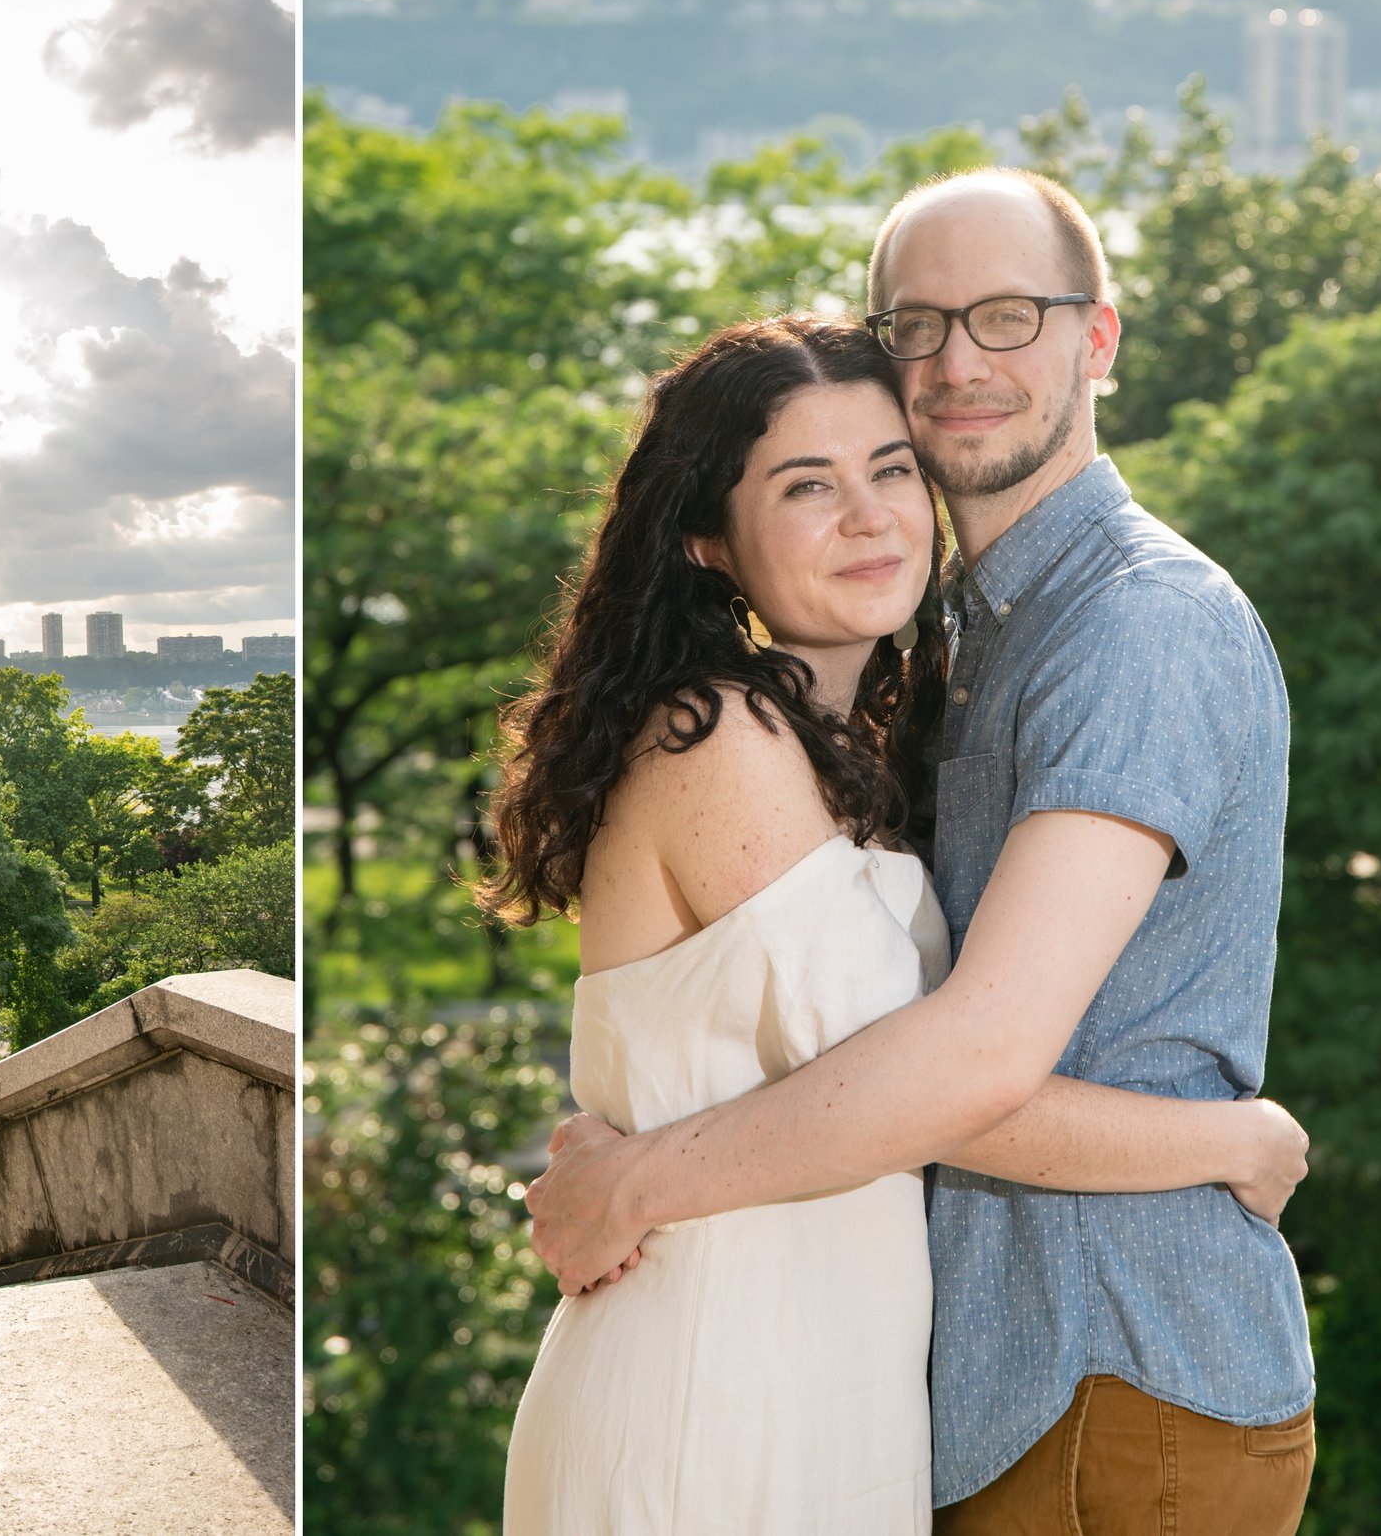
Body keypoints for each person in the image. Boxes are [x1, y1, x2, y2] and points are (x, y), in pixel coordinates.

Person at [523, 173, 1318, 1532]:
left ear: (1099, 339)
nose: (959, 361)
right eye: (919, 322)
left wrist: (638, 1175)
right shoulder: (855, 689)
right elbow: (921, 1063)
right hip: (856, 1384)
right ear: (712, 540)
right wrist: (1232, 1134)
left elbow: (956, 1064)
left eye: (1009, 315)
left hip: (1108, 1358)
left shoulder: (1136, 625)